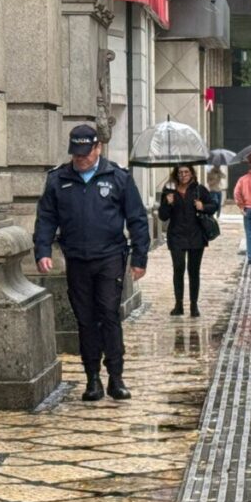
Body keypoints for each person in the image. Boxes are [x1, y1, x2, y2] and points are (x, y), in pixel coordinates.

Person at [34, 124, 150, 402]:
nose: (81, 158)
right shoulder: (57, 179)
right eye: (77, 153)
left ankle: (116, 377)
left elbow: (136, 219)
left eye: (86, 153)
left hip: (110, 257)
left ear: (98, 148)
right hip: (76, 258)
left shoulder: (118, 177)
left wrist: (140, 257)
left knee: (109, 314)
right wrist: (43, 250)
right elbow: (46, 218)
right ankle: (92, 379)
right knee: (85, 320)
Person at [158, 164, 217, 317]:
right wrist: (168, 204)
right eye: (180, 172)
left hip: (196, 236)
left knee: (193, 271)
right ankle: (178, 304)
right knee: (178, 268)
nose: (183, 175)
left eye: (186, 172)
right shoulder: (169, 190)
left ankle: (193, 305)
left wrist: (202, 206)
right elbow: (163, 216)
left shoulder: (199, 190)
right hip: (176, 236)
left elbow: (213, 206)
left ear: (191, 174)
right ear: (176, 175)